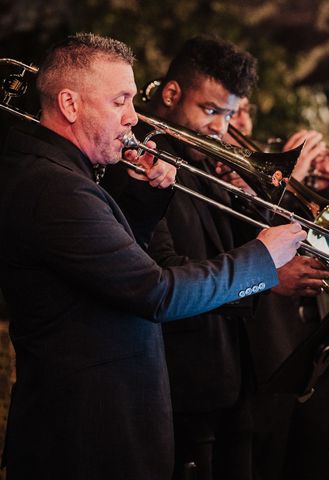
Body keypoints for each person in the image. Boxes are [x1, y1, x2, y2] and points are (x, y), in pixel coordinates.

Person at [0, 32, 305, 480]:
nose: (133, 117)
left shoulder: (65, 175)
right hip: (86, 437)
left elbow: (113, 272)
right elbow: (156, 292)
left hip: (101, 426)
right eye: (120, 100)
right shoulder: (55, 187)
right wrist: (262, 256)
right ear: (70, 105)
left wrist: (142, 201)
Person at [113, 35, 329, 480]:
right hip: (184, 383)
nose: (220, 126)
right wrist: (269, 276)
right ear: (172, 94)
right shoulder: (141, 164)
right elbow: (167, 273)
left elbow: (244, 237)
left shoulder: (204, 165)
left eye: (229, 114)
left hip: (233, 380)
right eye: (211, 110)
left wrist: (272, 194)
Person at [226, 97, 329, 480]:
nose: (242, 120)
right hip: (259, 350)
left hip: (303, 343)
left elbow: (322, 251)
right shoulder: (231, 176)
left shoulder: (257, 170)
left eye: (246, 109)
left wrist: (318, 191)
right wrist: (287, 176)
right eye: (232, 111)